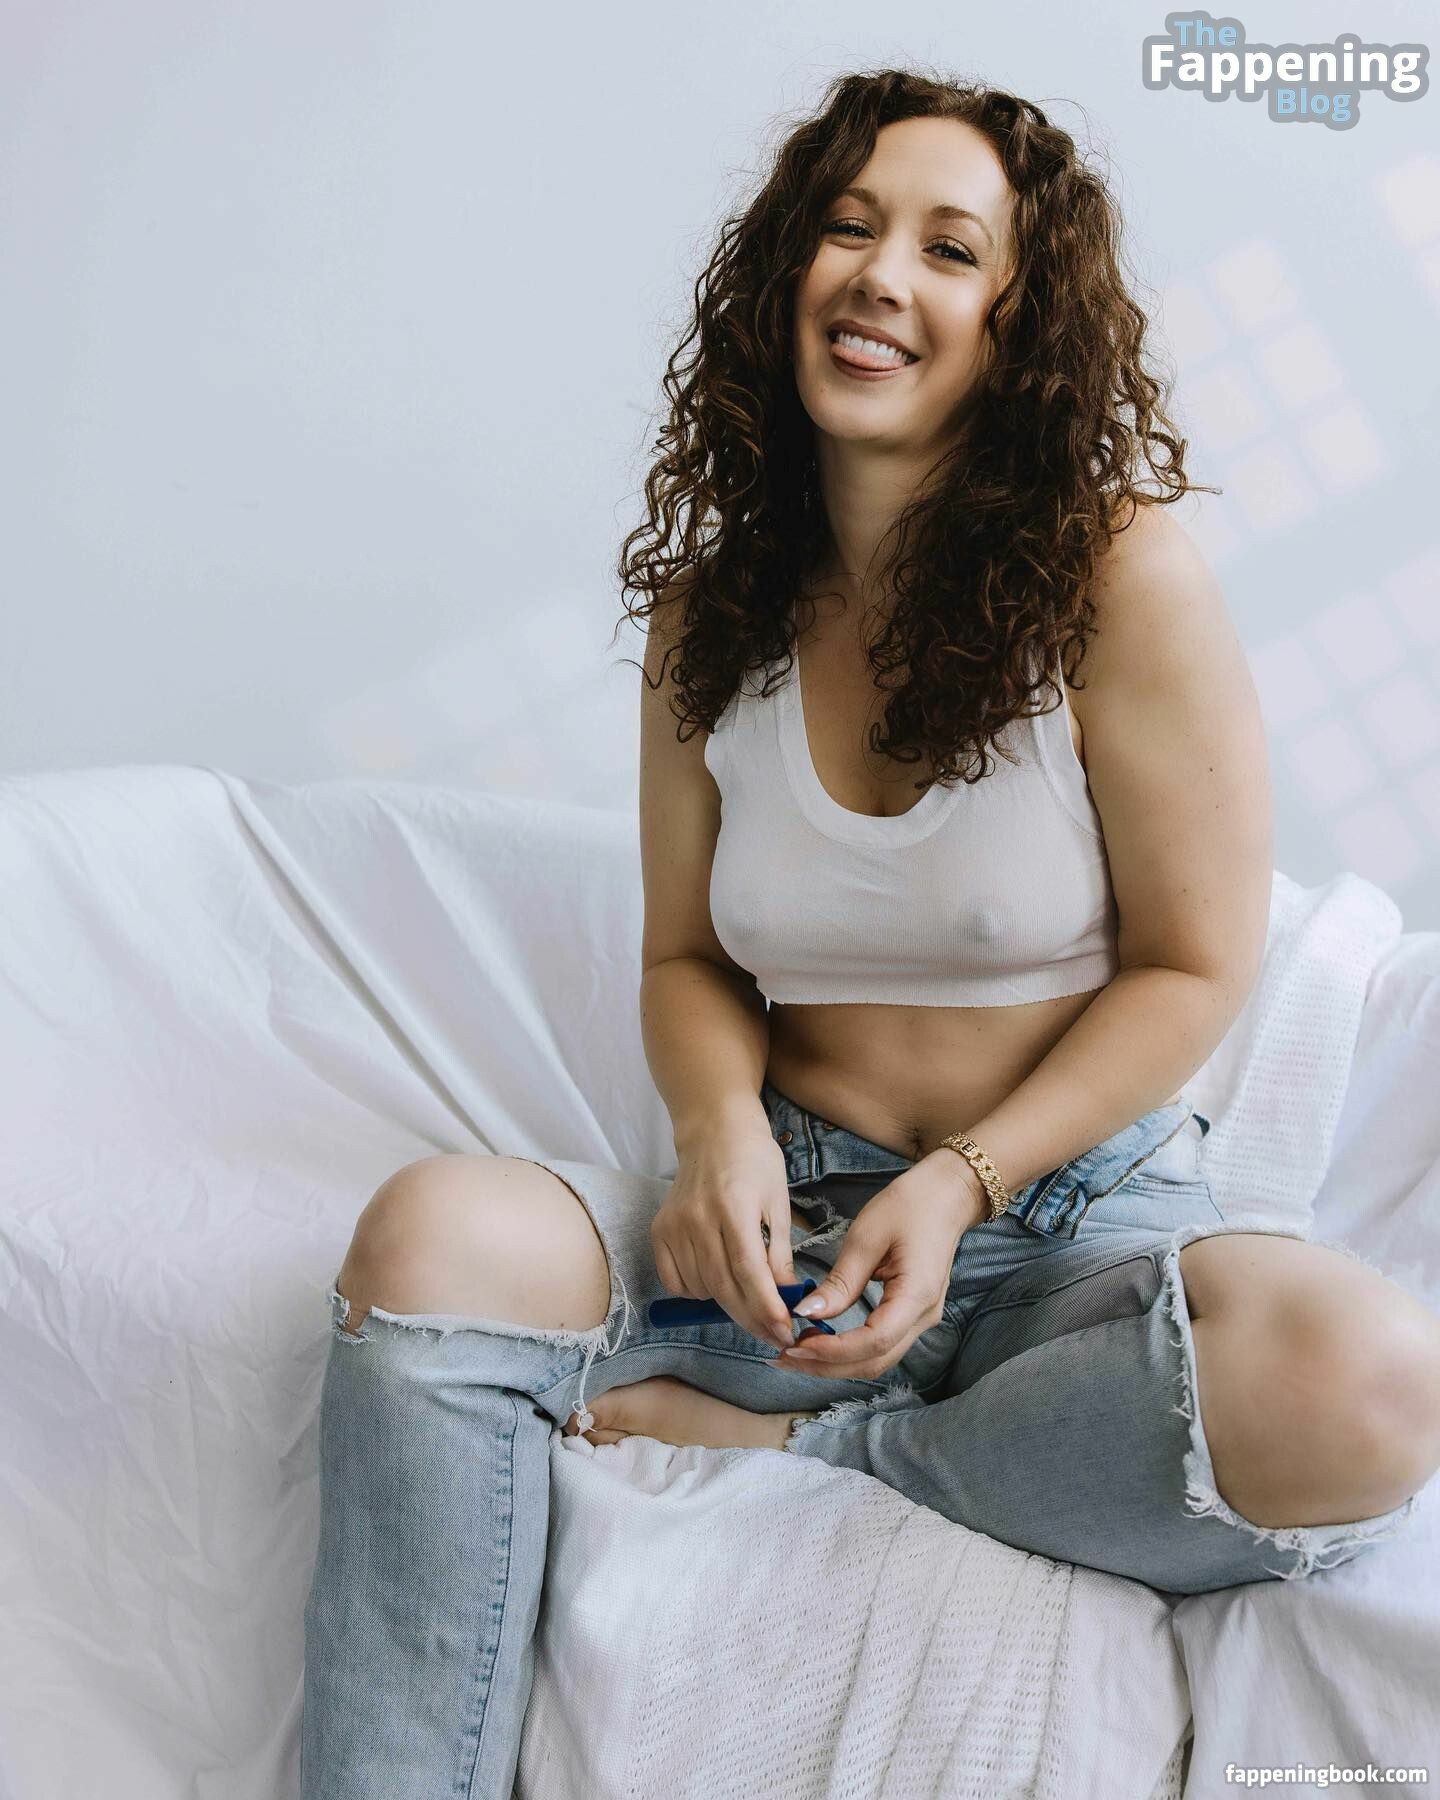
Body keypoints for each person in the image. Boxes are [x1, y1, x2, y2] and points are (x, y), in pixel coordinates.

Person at [300, 70, 1440, 1799]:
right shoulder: (714, 611)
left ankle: (831, 1455)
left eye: (948, 248)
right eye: (847, 227)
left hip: (1076, 1235)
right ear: (788, 274)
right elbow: (687, 960)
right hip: (796, 1240)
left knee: (1366, 1381)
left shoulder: (1119, 579)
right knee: (429, 1238)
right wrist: (717, 1136)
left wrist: (966, 1181)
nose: (881, 276)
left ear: (1018, 320)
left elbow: (1194, 965)